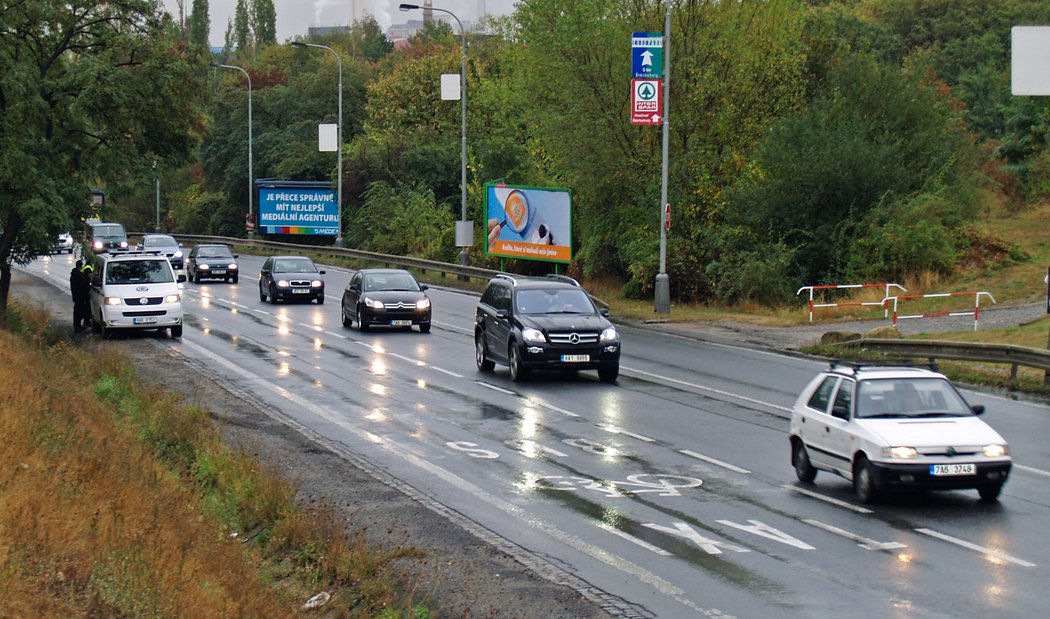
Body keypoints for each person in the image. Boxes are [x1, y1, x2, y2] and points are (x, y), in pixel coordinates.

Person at [70, 260, 90, 332]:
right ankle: (77, 326)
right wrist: (88, 278)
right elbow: (82, 283)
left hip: (78, 296)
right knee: (78, 312)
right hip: (79, 297)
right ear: (80, 266)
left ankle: (78, 325)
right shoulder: (77, 275)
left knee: (79, 312)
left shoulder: (76, 274)